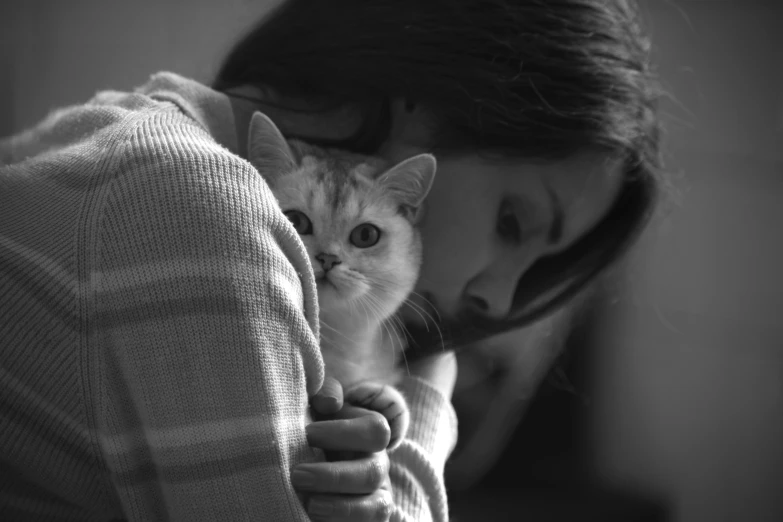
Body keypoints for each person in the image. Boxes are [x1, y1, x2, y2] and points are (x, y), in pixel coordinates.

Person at [0, 0, 661, 521]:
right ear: (428, 107)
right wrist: (427, 412)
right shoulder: (200, 212)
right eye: (513, 222)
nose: (499, 301)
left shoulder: (129, 126)